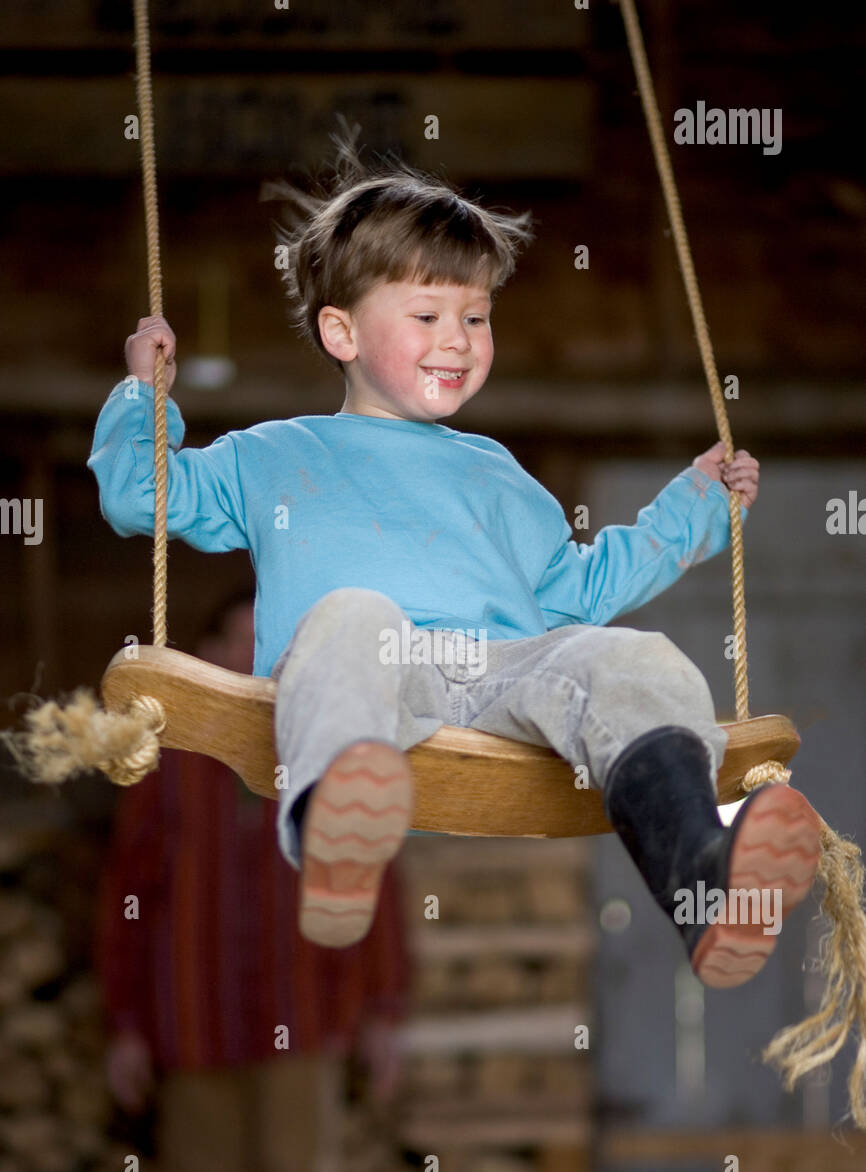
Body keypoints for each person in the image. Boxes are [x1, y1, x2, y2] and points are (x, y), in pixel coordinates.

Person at [87, 124, 821, 992]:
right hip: (366, 686)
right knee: (353, 616)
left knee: (632, 657)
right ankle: (339, 830)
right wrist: (145, 394)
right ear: (341, 332)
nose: (460, 338)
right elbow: (143, 494)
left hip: (505, 681)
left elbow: (579, 590)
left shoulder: (499, 476)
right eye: (429, 315)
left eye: (476, 316)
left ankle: (703, 878)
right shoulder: (272, 456)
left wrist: (695, 506)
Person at [95, 591, 410, 1172]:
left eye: (263, 646)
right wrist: (124, 1025)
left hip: (303, 1011)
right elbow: (128, 897)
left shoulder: (325, 752)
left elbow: (373, 882)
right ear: (203, 660)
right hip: (192, 1018)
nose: (246, 661)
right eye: (233, 644)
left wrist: (386, 1011)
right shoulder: (164, 764)